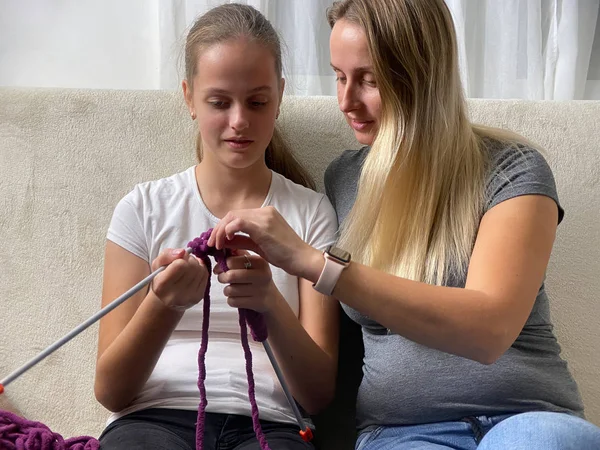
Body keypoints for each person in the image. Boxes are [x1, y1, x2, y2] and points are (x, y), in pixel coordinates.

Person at [207, 0, 600, 448]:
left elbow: (488, 331)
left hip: (528, 417)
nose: (346, 101)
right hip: (402, 432)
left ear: (422, 74)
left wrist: (316, 264)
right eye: (339, 76)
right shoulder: (344, 179)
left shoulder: (512, 169)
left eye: (368, 79)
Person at [94, 4, 339, 449]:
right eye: (219, 102)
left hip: (272, 423)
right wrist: (162, 304)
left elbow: (318, 395)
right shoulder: (143, 208)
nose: (239, 120)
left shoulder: (310, 214)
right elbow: (110, 390)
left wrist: (269, 303)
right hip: (151, 418)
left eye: (258, 101)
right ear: (189, 97)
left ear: (280, 96)